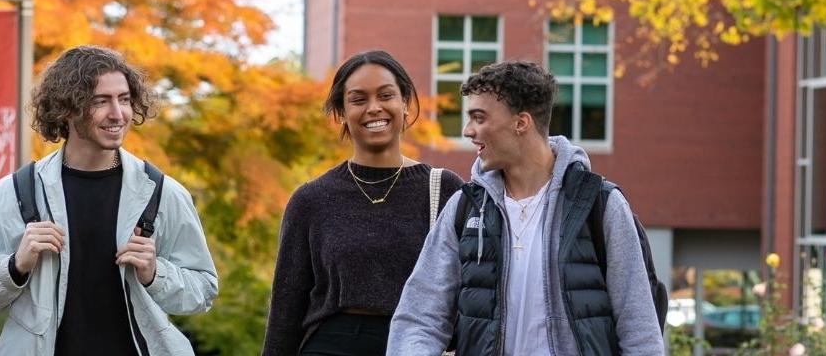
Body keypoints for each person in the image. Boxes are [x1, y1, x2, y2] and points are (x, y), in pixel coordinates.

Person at [389, 60, 666, 355]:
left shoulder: (599, 205)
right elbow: (419, 317)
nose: (468, 130)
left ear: (521, 123)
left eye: (479, 118)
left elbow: (640, 332)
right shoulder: (465, 207)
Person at [0, 45, 218, 355]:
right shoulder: (12, 195)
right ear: (66, 108)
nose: (118, 113)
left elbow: (203, 291)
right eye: (101, 101)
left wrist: (155, 273)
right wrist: (15, 266)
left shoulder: (163, 193)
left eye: (124, 99)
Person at [263, 49, 464, 355]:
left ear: (405, 103)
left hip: (417, 345)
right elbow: (285, 311)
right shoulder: (311, 200)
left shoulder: (444, 189)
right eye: (358, 99)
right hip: (331, 344)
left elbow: (470, 293)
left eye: (386, 95)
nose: (374, 108)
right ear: (342, 112)